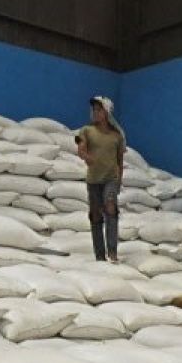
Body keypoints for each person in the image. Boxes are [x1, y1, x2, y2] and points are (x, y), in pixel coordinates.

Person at [76, 96, 125, 263]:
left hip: (111, 178)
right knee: (95, 215)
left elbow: (120, 160)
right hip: (93, 180)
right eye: (93, 110)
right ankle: (99, 255)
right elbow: (80, 148)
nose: (95, 112)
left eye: (99, 109)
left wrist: (119, 180)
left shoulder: (117, 136)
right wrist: (86, 156)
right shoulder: (86, 130)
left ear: (107, 112)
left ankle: (112, 252)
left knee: (111, 208)